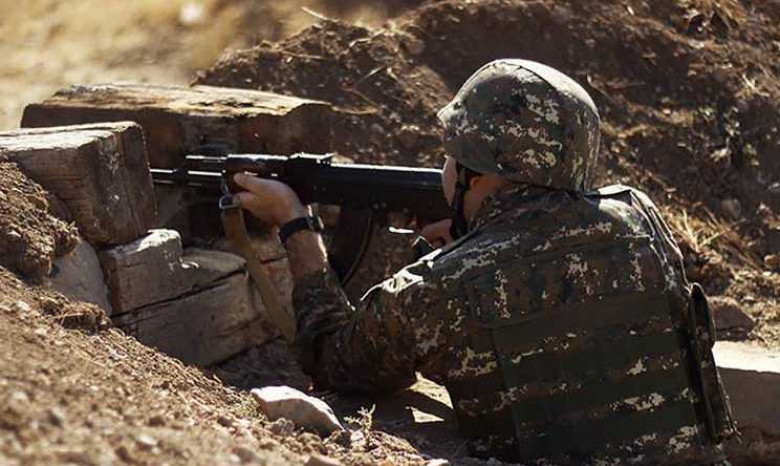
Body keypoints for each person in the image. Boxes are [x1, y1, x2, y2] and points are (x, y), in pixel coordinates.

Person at [233, 59, 735, 465]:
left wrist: (295, 224)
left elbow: (331, 356)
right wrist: (467, 245)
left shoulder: (441, 287)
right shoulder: (642, 218)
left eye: (450, 153)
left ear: (475, 169)